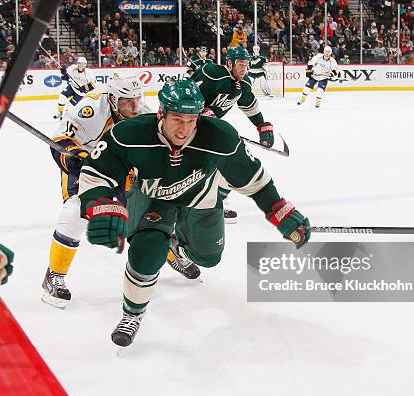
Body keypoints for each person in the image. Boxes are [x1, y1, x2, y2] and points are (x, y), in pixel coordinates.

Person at [76, 79, 310, 347]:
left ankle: (180, 244)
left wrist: (280, 212)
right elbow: (96, 175)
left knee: (207, 258)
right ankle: (132, 314)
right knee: (147, 250)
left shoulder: (220, 136)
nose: (184, 129)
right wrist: (101, 205)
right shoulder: (128, 134)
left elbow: (253, 179)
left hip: (200, 197)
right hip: (152, 197)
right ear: (161, 113)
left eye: (191, 120)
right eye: (177, 119)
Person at [42, 76, 144, 308]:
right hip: (86, 162)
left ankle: (167, 250)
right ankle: (54, 275)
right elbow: (60, 140)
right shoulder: (88, 111)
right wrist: (73, 157)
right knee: (76, 210)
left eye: (137, 100)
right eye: (128, 102)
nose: (135, 107)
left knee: (144, 206)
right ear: (113, 100)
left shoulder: (142, 112)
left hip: (118, 162)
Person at [191, 45, 276, 225]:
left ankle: (215, 203)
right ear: (229, 63)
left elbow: (248, 104)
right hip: (188, 127)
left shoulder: (243, 84)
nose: (244, 69)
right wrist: (200, 110)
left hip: (209, 130)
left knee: (230, 163)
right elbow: (188, 92)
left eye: (246, 65)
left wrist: (261, 125)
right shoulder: (212, 73)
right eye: (240, 65)